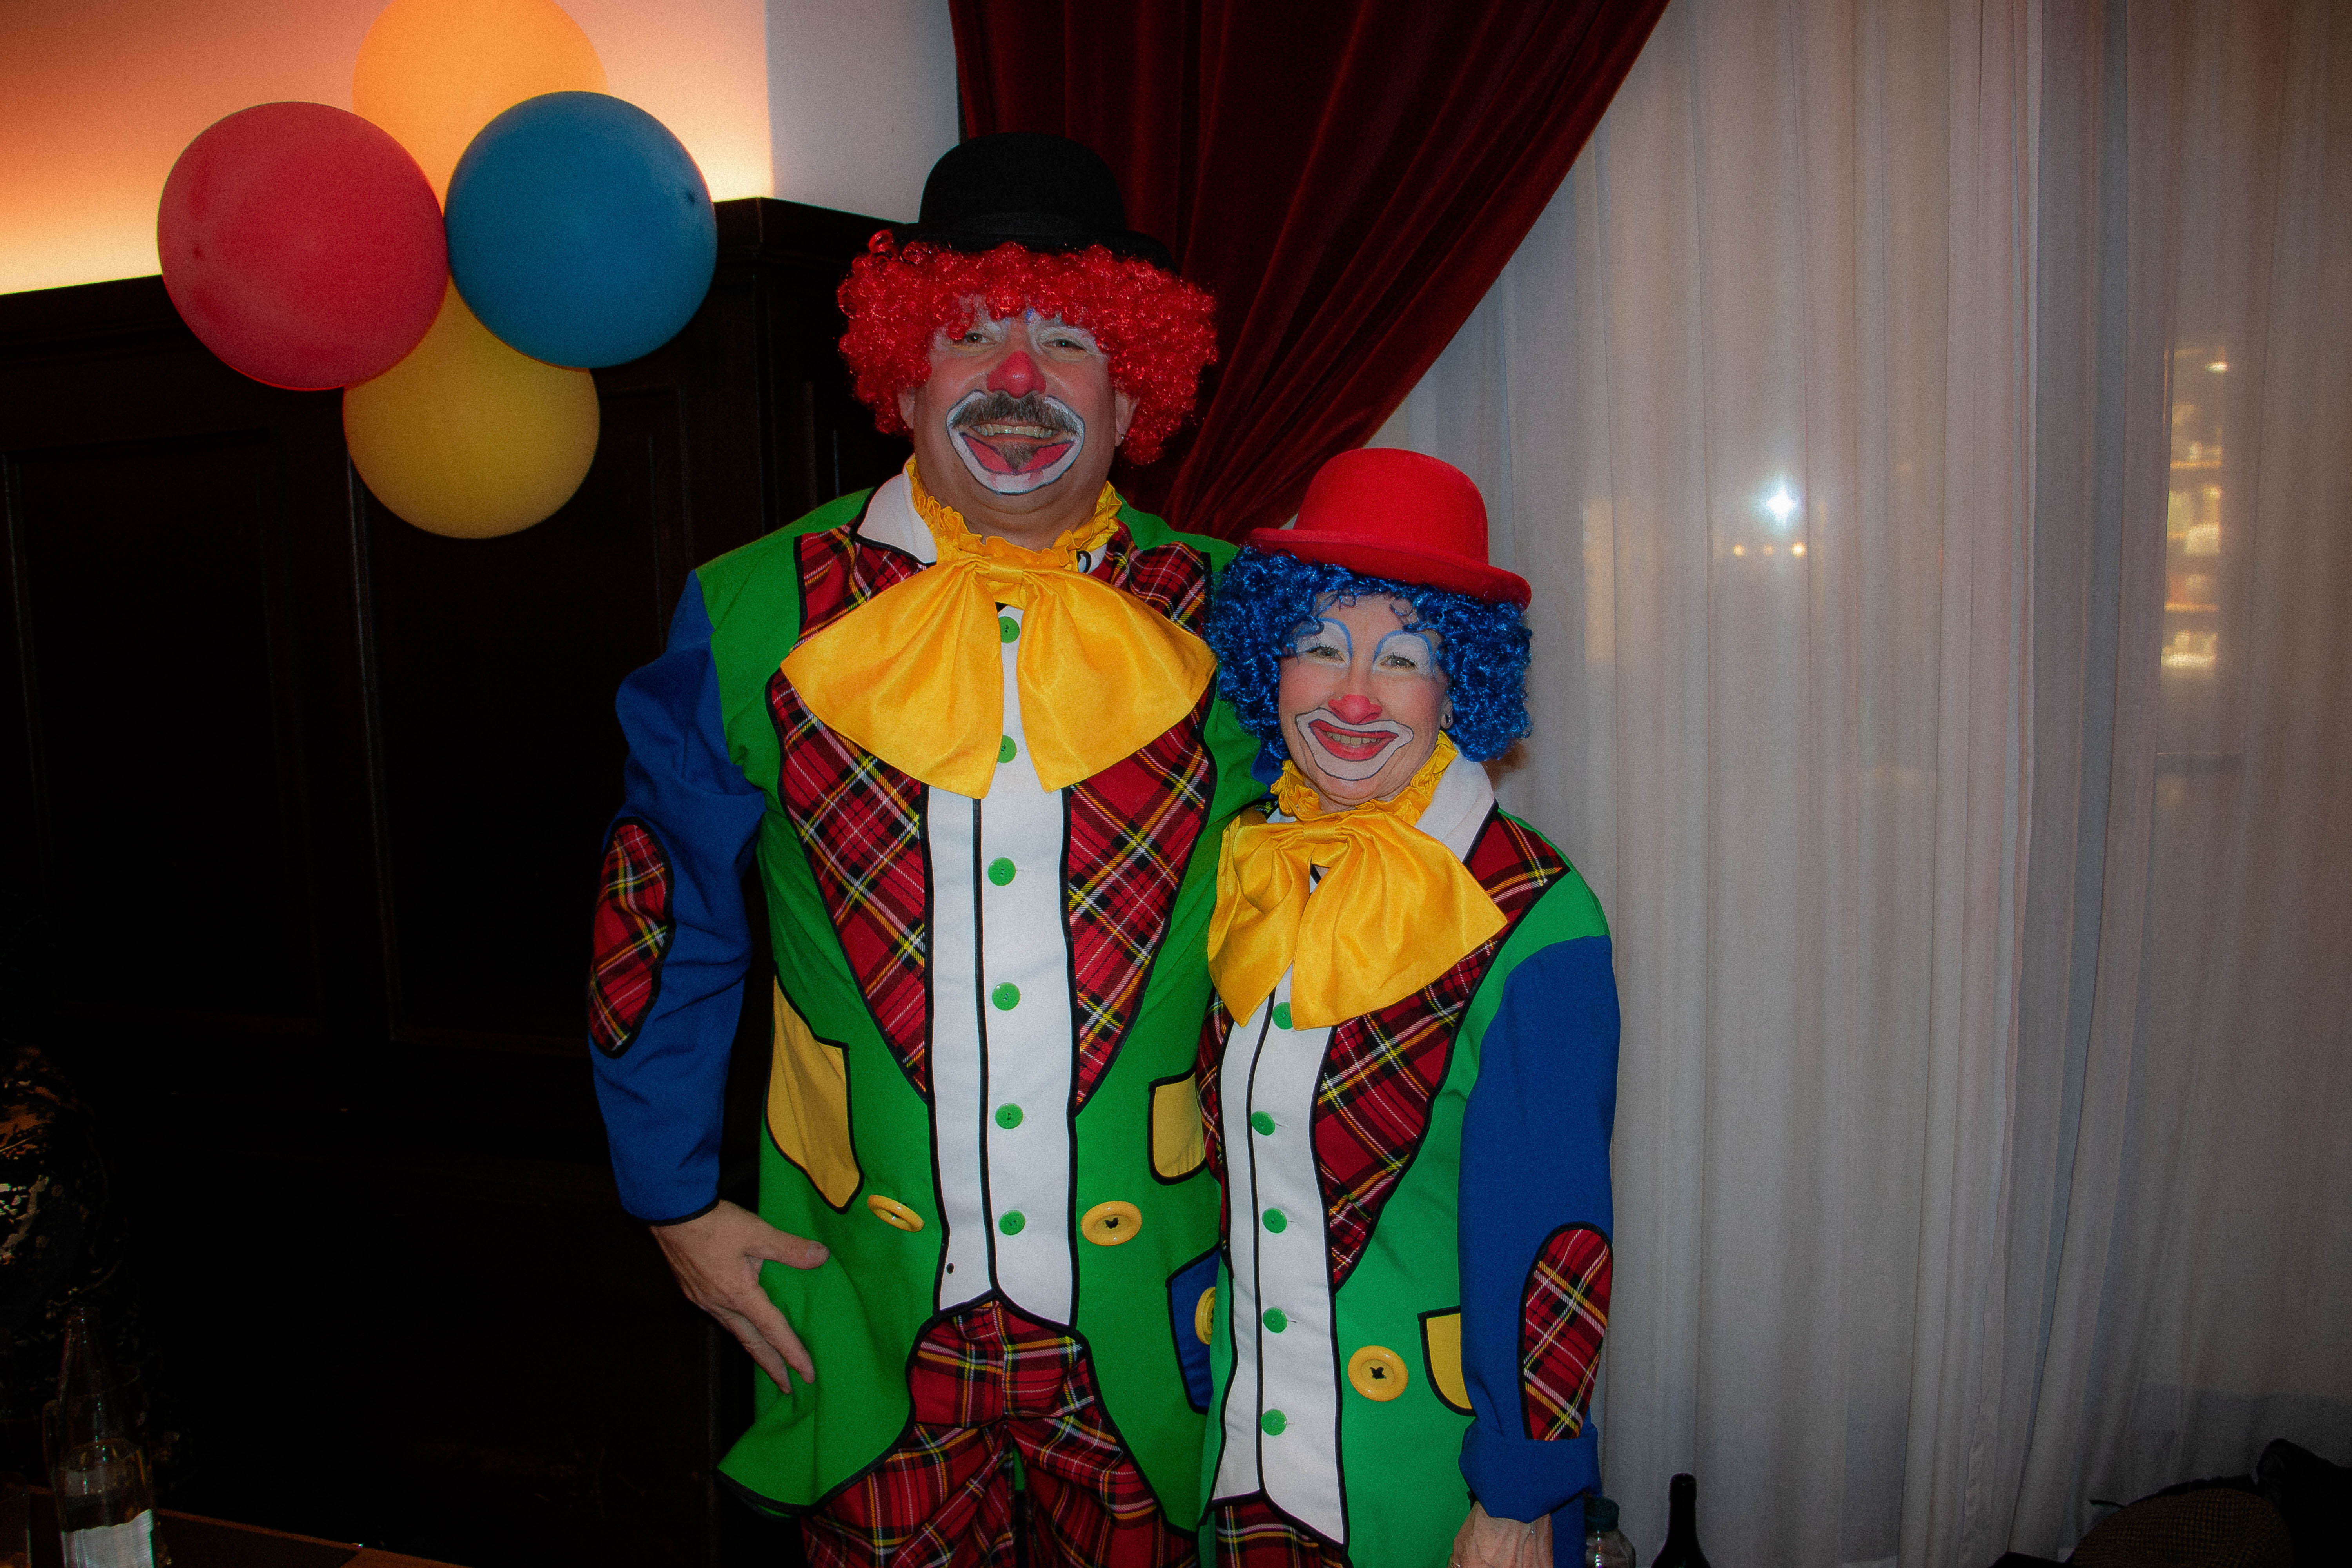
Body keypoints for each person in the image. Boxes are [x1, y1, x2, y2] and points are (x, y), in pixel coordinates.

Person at [586, 134, 1263, 1565]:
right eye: (968, 335)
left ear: (1134, 389)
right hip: (860, 1294)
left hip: (1159, 1299)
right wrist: (670, 1202)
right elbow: (662, 917)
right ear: (901, 377)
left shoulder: (1250, 624)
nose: (1017, 378)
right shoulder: (751, 606)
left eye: (1068, 340)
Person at [1192, 449, 1619, 1568]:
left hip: (1430, 1485)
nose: (1352, 696)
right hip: (1237, 1464)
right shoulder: (1248, 860)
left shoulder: (1538, 911)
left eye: (1404, 660)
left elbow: (1555, 1238)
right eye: (1319, 646)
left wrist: (1518, 1495)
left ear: (1459, 686)